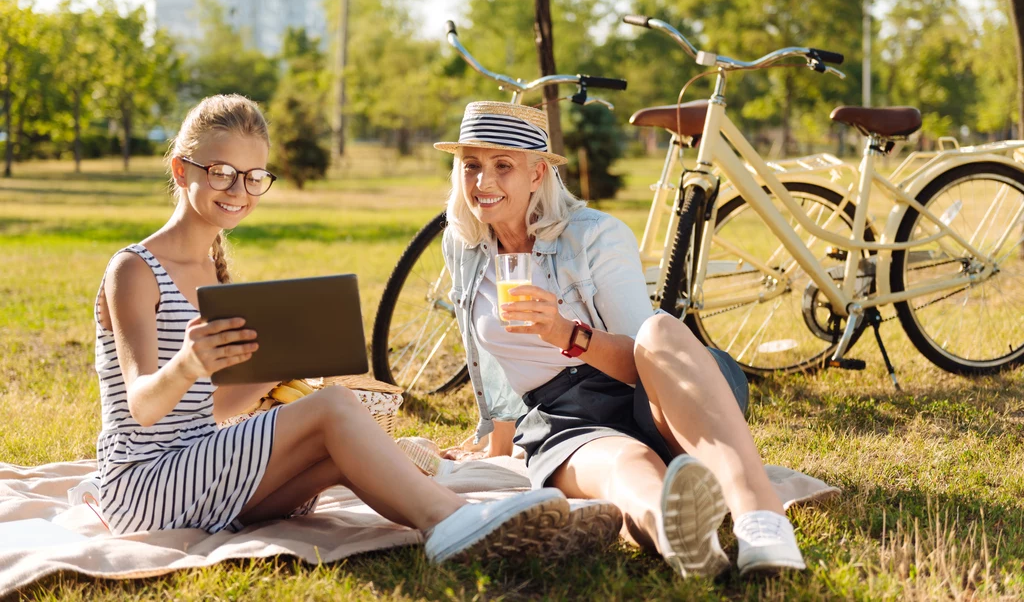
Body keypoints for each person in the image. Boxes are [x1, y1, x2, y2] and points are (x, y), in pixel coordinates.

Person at [92, 94, 596, 564]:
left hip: (196, 472)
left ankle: (478, 531)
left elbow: (214, 408)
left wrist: (285, 363)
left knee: (340, 456)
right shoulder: (134, 270)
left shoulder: (211, 269)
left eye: (253, 177)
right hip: (144, 487)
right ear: (182, 170)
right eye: (222, 173)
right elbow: (142, 407)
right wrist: (188, 363)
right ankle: (456, 522)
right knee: (336, 409)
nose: (239, 191)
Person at [437, 101, 807, 577]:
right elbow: (498, 367)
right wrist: (497, 442)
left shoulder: (596, 236)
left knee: (659, 329)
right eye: (471, 166)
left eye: (502, 166)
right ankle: (678, 538)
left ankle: (762, 519)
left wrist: (565, 333)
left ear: (537, 174)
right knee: (626, 465)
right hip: (560, 418)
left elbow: (642, 363)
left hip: (661, 392)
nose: (483, 183)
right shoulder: (465, 248)